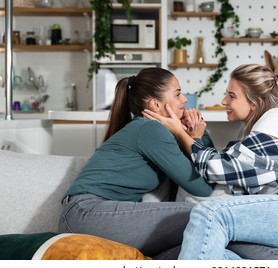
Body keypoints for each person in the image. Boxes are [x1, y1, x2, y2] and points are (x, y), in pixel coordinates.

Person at [143, 64, 278, 260]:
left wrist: (180, 133)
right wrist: (194, 137)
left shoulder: (277, 121)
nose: (224, 101)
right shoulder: (256, 133)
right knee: (218, 255)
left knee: (212, 213)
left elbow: (217, 167)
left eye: (231, 95)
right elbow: (228, 167)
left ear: (256, 103)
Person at [58, 67, 214, 257]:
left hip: (91, 214)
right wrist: (194, 138)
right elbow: (202, 189)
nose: (185, 100)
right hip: (86, 213)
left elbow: (209, 170)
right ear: (156, 105)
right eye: (178, 94)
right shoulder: (150, 130)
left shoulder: (156, 132)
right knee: (206, 216)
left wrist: (196, 133)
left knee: (189, 250)